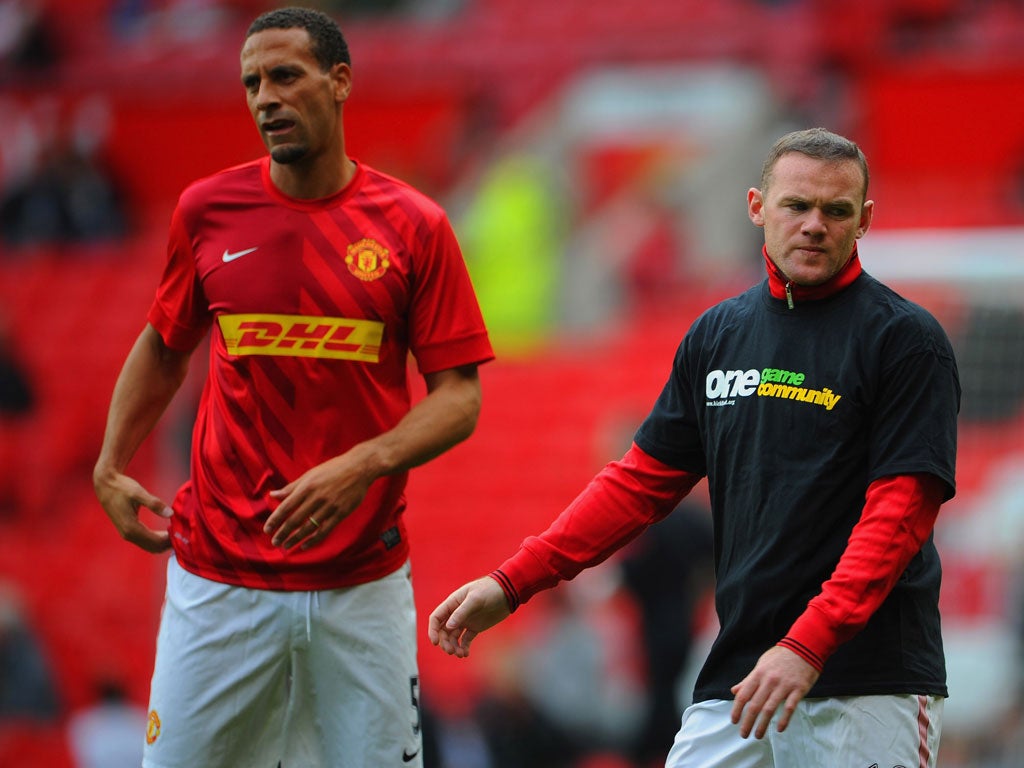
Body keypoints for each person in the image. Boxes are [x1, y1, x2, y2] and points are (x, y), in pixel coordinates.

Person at [430, 127, 960, 768]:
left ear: (865, 220)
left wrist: (808, 644)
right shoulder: (718, 334)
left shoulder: (905, 340)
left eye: (836, 210)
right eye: (797, 205)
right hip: (739, 679)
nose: (815, 225)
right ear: (757, 207)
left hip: (867, 681)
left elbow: (899, 516)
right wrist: (513, 582)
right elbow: (637, 484)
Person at [92, 7, 493, 768]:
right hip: (218, 576)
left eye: (284, 75)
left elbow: (460, 397)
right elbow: (163, 344)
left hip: (360, 582)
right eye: (251, 83)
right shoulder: (206, 210)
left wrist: (362, 464)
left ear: (339, 81)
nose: (265, 97)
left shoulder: (414, 226)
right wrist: (110, 463)